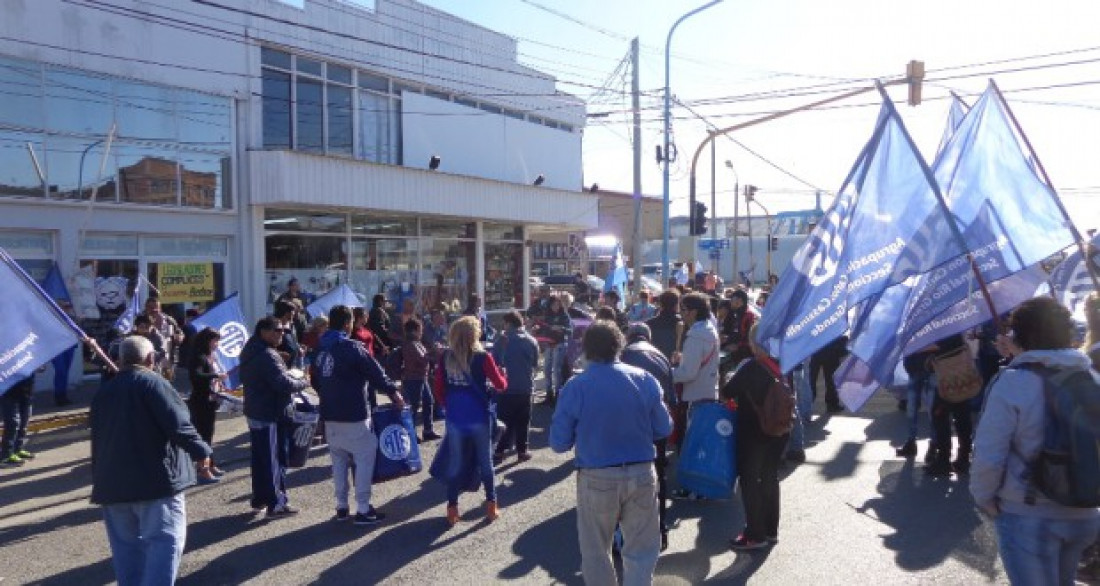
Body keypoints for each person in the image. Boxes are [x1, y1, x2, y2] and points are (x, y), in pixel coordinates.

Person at [971, 297, 1100, 584]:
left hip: (1029, 513)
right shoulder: (1089, 376)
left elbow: (989, 454)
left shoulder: (1015, 381)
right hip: (1086, 512)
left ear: (1020, 335)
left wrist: (984, 497)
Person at [549, 320, 673, 585]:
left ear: (586, 349)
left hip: (597, 475)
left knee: (596, 552)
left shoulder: (576, 386)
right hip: (641, 471)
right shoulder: (644, 379)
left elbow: (559, 443)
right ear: (620, 345)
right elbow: (664, 427)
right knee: (641, 550)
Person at [90, 336, 213, 586]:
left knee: (126, 550)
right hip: (155, 481)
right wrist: (202, 452)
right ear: (150, 359)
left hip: (112, 484)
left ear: (120, 360)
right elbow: (178, 425)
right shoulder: (154, 384)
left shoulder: (104, 391)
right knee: (164, 542)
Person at [313, 305, 406, 525]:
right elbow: (376, 373)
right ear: (348, 323)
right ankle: (363, 509)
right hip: (353, 413)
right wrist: (394, 393)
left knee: (339, 462)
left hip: (330, 414)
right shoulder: (352, 347)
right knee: (364, 460)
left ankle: (342, 506)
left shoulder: (320, 349)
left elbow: (315, 379)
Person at [432, 316, 508, 525]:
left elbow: (438, 389)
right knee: (486, 462)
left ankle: (452, 508)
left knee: (455, 462)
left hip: (456, 418)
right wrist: (503, 376)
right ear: (474, 334)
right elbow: (500, 385)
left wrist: (449, 407)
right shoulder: (483, 357)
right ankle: (491, 505)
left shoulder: (446, 357)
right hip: (479, 417)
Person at [721, 323, 789, 550]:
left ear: (754, 343)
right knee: (770, 477)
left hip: (753, 430)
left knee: (750, 480)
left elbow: (727, 391)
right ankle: (771, 531)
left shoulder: (751, 367)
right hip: (779, 429)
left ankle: (754, 534)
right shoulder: (782, 366)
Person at [240, 317, 309, 517]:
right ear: (264, 331)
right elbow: (283, 384)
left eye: (283, 331)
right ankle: (276, 503)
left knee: (261, 459)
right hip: (269, 412)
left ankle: (261, 498)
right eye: (278, 330)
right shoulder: (267, 355)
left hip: (257, 410)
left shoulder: (252, 349)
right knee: (274, 460)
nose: (282, 334)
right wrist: (303, 382)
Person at [620, 323, 676, 551]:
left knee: (627, 476)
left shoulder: (623, 356)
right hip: (656, 423)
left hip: (630, 425)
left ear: (629, 337)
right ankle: (660, 528)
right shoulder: (661, 355)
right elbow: (671, 395)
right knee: (658, 476)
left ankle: (628, 532)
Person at [491, 310, 540, 464]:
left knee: (504, 421)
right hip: (525, 387)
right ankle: (522, 451)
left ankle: (499, 451)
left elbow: (493, 363)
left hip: (506, 388)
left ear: (508, 324)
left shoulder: (501, 341)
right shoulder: (531, 341)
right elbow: (535, 364)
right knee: (523, 421)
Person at [671, 293, 720, 445]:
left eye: (683, 309)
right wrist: (683, 359)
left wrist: (668, 372)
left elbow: (688, 373)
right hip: (708, 391)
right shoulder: (708, 329)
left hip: (695, 397)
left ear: (694, 312)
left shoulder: (696, 336)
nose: (680, 313)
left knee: (693, 445)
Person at [926, 334, 973, 477]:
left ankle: (944, 460)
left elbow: (937, 352)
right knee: (962, 417)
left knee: (941, 418)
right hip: (962, 378)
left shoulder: (939, 329)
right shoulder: (954, 326)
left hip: (946, 380)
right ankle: (963, 457)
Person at [188, 327, 229, 479]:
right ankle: (202, 468)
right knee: (203, 434)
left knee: (209, 434)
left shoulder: (211, 356)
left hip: (211, 398)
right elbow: (196, 375)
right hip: (200, 399)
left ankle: (211, 463)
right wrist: (215, 375)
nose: (217, 344)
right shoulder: (199, 356)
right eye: (215, 340)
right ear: (207, 341)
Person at [400, 318, 441, 441]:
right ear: (416, 330)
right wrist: (434, 352)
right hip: (414, 379)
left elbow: (424, 357)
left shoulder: (415, 343)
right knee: (414, 406)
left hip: (421, 378)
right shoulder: (410, 344)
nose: (422, 332)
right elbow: (422, 360)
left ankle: (427, 430)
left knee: (428, 402)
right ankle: (411, 433)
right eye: (420, 329)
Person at [541, 295, 572, 405]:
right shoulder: (547, 315)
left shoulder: (564, 315)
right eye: (554, 304)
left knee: (556, 370)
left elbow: (570, 331)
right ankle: (549, 394)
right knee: (546, 369)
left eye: (558, 304)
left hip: (559, 344)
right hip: (549, 344)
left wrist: (561, 328)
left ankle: (558, 396)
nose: (556, 306)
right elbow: (543, 328)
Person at [142, 297, 184, 380]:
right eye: (150, 308)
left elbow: (179, 332)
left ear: (160, 308)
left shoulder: (168, 320)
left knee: (167, 381)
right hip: (149, 359)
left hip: (167, 358)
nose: (154, 310)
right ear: (146, 309)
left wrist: (179, 337)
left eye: (156, 307)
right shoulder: (142, 320)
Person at [1, 373, 36, 467]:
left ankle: (18, 449)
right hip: (9, 392)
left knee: (24, 421)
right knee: (12, 423)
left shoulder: (29, 357)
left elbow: (39, 367)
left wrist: (40, 367)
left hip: (27, 390)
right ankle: (5, 455)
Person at [810, 335, 848, 414]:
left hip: (817, 347)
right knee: (830, 380)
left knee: (812, 380)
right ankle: (831, 404)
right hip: (830, 348)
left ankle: (808, 406)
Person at [646, 289, 683, 360]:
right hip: (676, 364)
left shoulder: (648, 324)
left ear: (660, 304)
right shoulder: (683, 324)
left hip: (655, 363)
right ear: (677, 305)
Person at [273, 300, 304, 370]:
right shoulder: (272, 328)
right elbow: (264, 348)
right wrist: (278, 353)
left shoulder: (290, 326)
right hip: (278, 370)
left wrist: (298, 347)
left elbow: (293, 342)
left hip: (292, 368)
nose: (294, 315)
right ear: (287, 313)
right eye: (293, 313)